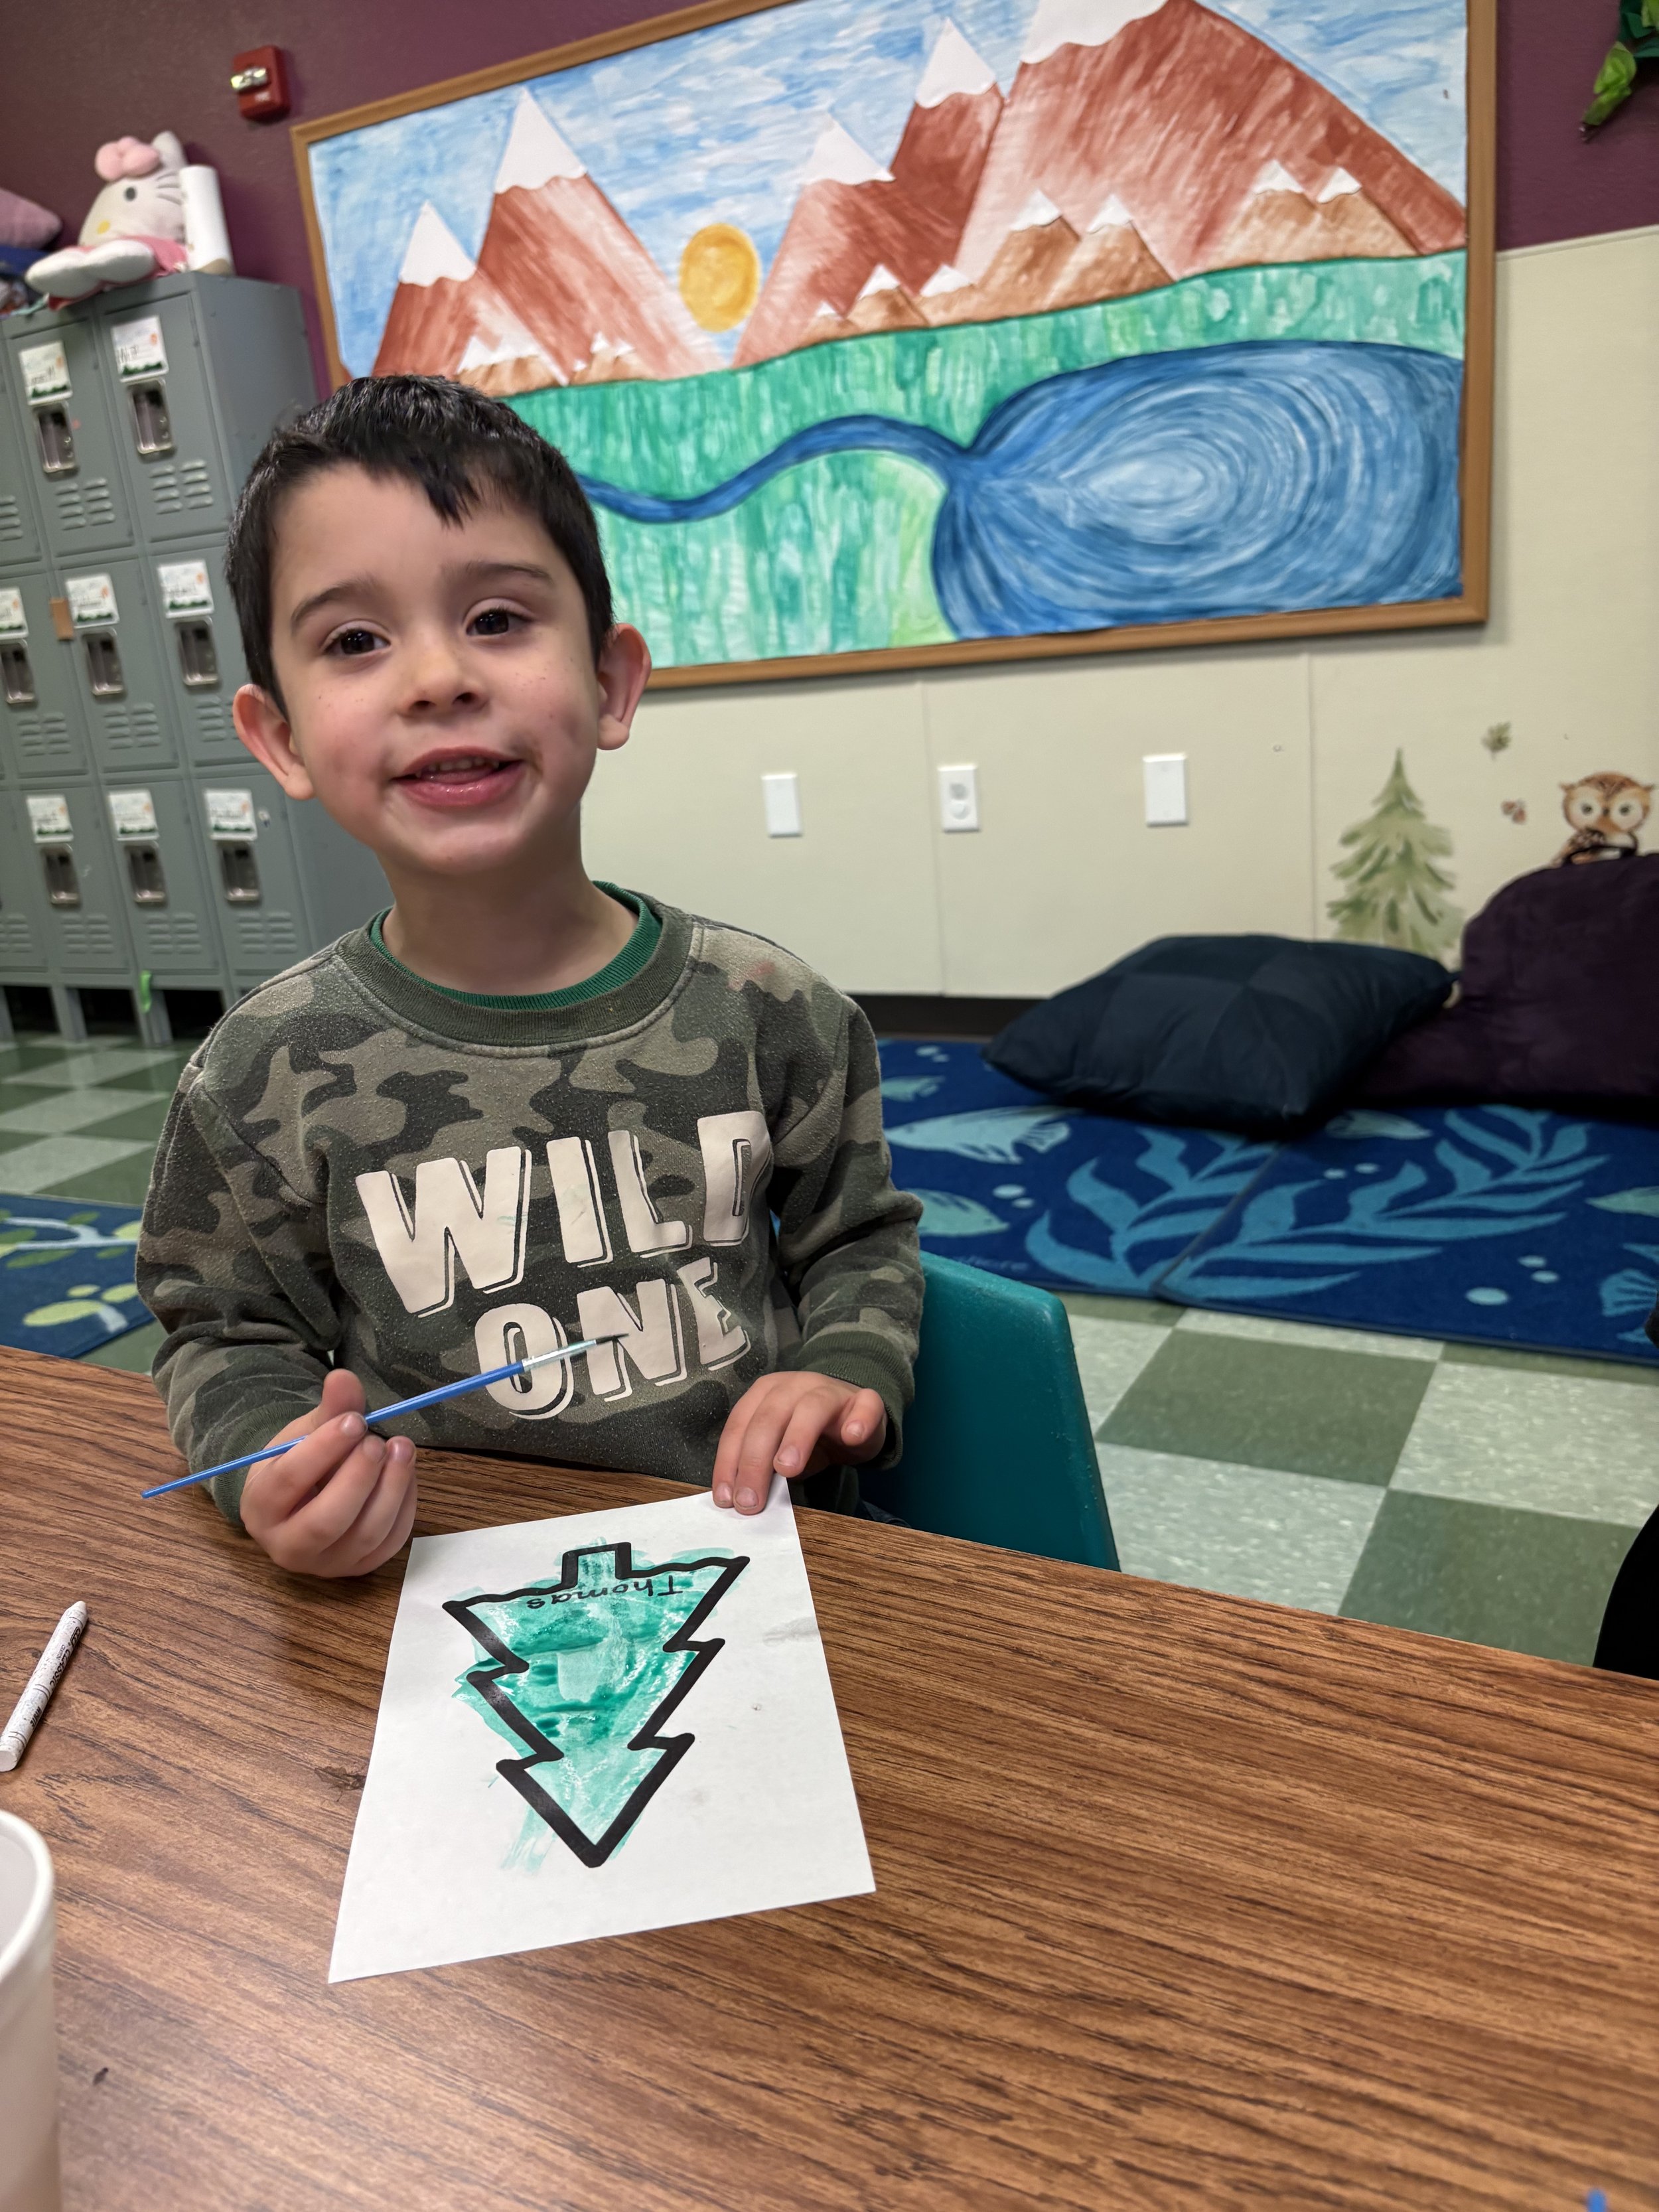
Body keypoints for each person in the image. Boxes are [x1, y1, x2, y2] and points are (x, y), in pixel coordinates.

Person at [137, 376, 922, 1578]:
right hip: (436, 1592)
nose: (439, 675)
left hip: (757, 1565)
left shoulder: (775, 1011)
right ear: (282, 738)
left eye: (499, 617)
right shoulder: (258, 1074)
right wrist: (268, 1466)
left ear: (609, 683)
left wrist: (845, 1370)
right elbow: (225, 1333)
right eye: (355, 640)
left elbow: (858, 1243)